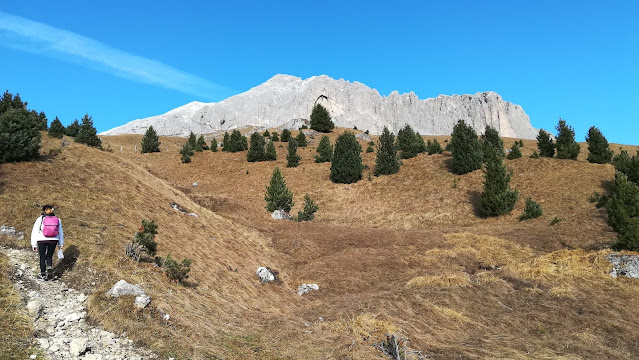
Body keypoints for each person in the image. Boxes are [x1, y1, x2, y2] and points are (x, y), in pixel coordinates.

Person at [31, 205, 64, 280]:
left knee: (42, 256)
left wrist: (34, 244)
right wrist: (60, 244)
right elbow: (60, 232)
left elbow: (35, 231)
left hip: (41, 239)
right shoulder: (58, 219)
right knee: (49, 255)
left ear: (44, 210)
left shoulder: (40, 219)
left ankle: (43, 274)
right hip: (54, 240)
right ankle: (49, 266)